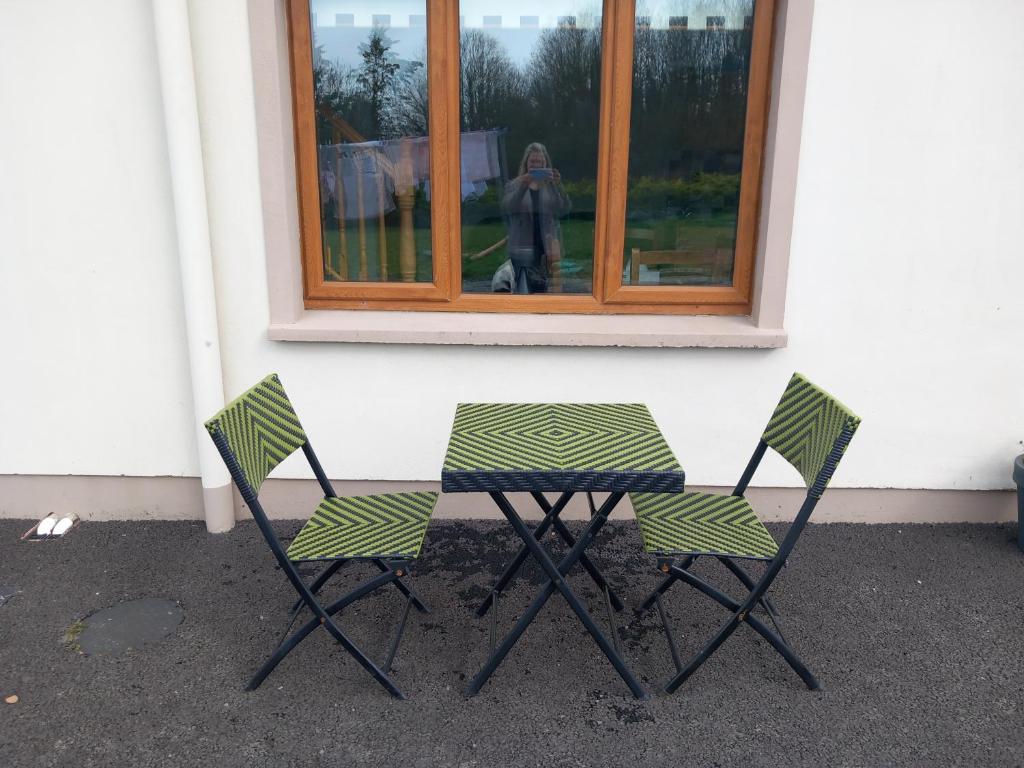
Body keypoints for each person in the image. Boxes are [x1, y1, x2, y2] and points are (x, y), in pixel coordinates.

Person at [491, 142, 571, 293]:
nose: (536, 165)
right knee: (523, 289)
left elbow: (564, 208)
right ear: (526, 163)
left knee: (547, 289)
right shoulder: (514, 184)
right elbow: (508, 208)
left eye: (539, 161)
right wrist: (524, 185)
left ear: (545, 163)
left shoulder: (550, 186)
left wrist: (557, 185)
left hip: (547, 247)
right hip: (522, 248)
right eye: (532, 161)